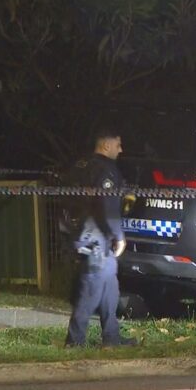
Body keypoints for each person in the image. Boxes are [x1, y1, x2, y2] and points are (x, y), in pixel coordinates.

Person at [64, 127, 137, 348]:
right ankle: (74, 342)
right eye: (118, 144)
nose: (121, 149)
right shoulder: (106, 170)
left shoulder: (81, 166)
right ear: (106, 145)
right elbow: (108, 206)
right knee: (91, 291)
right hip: (97, 238)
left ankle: (111, 338)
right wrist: (118, 235)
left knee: (109, 290)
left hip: (83, 234)